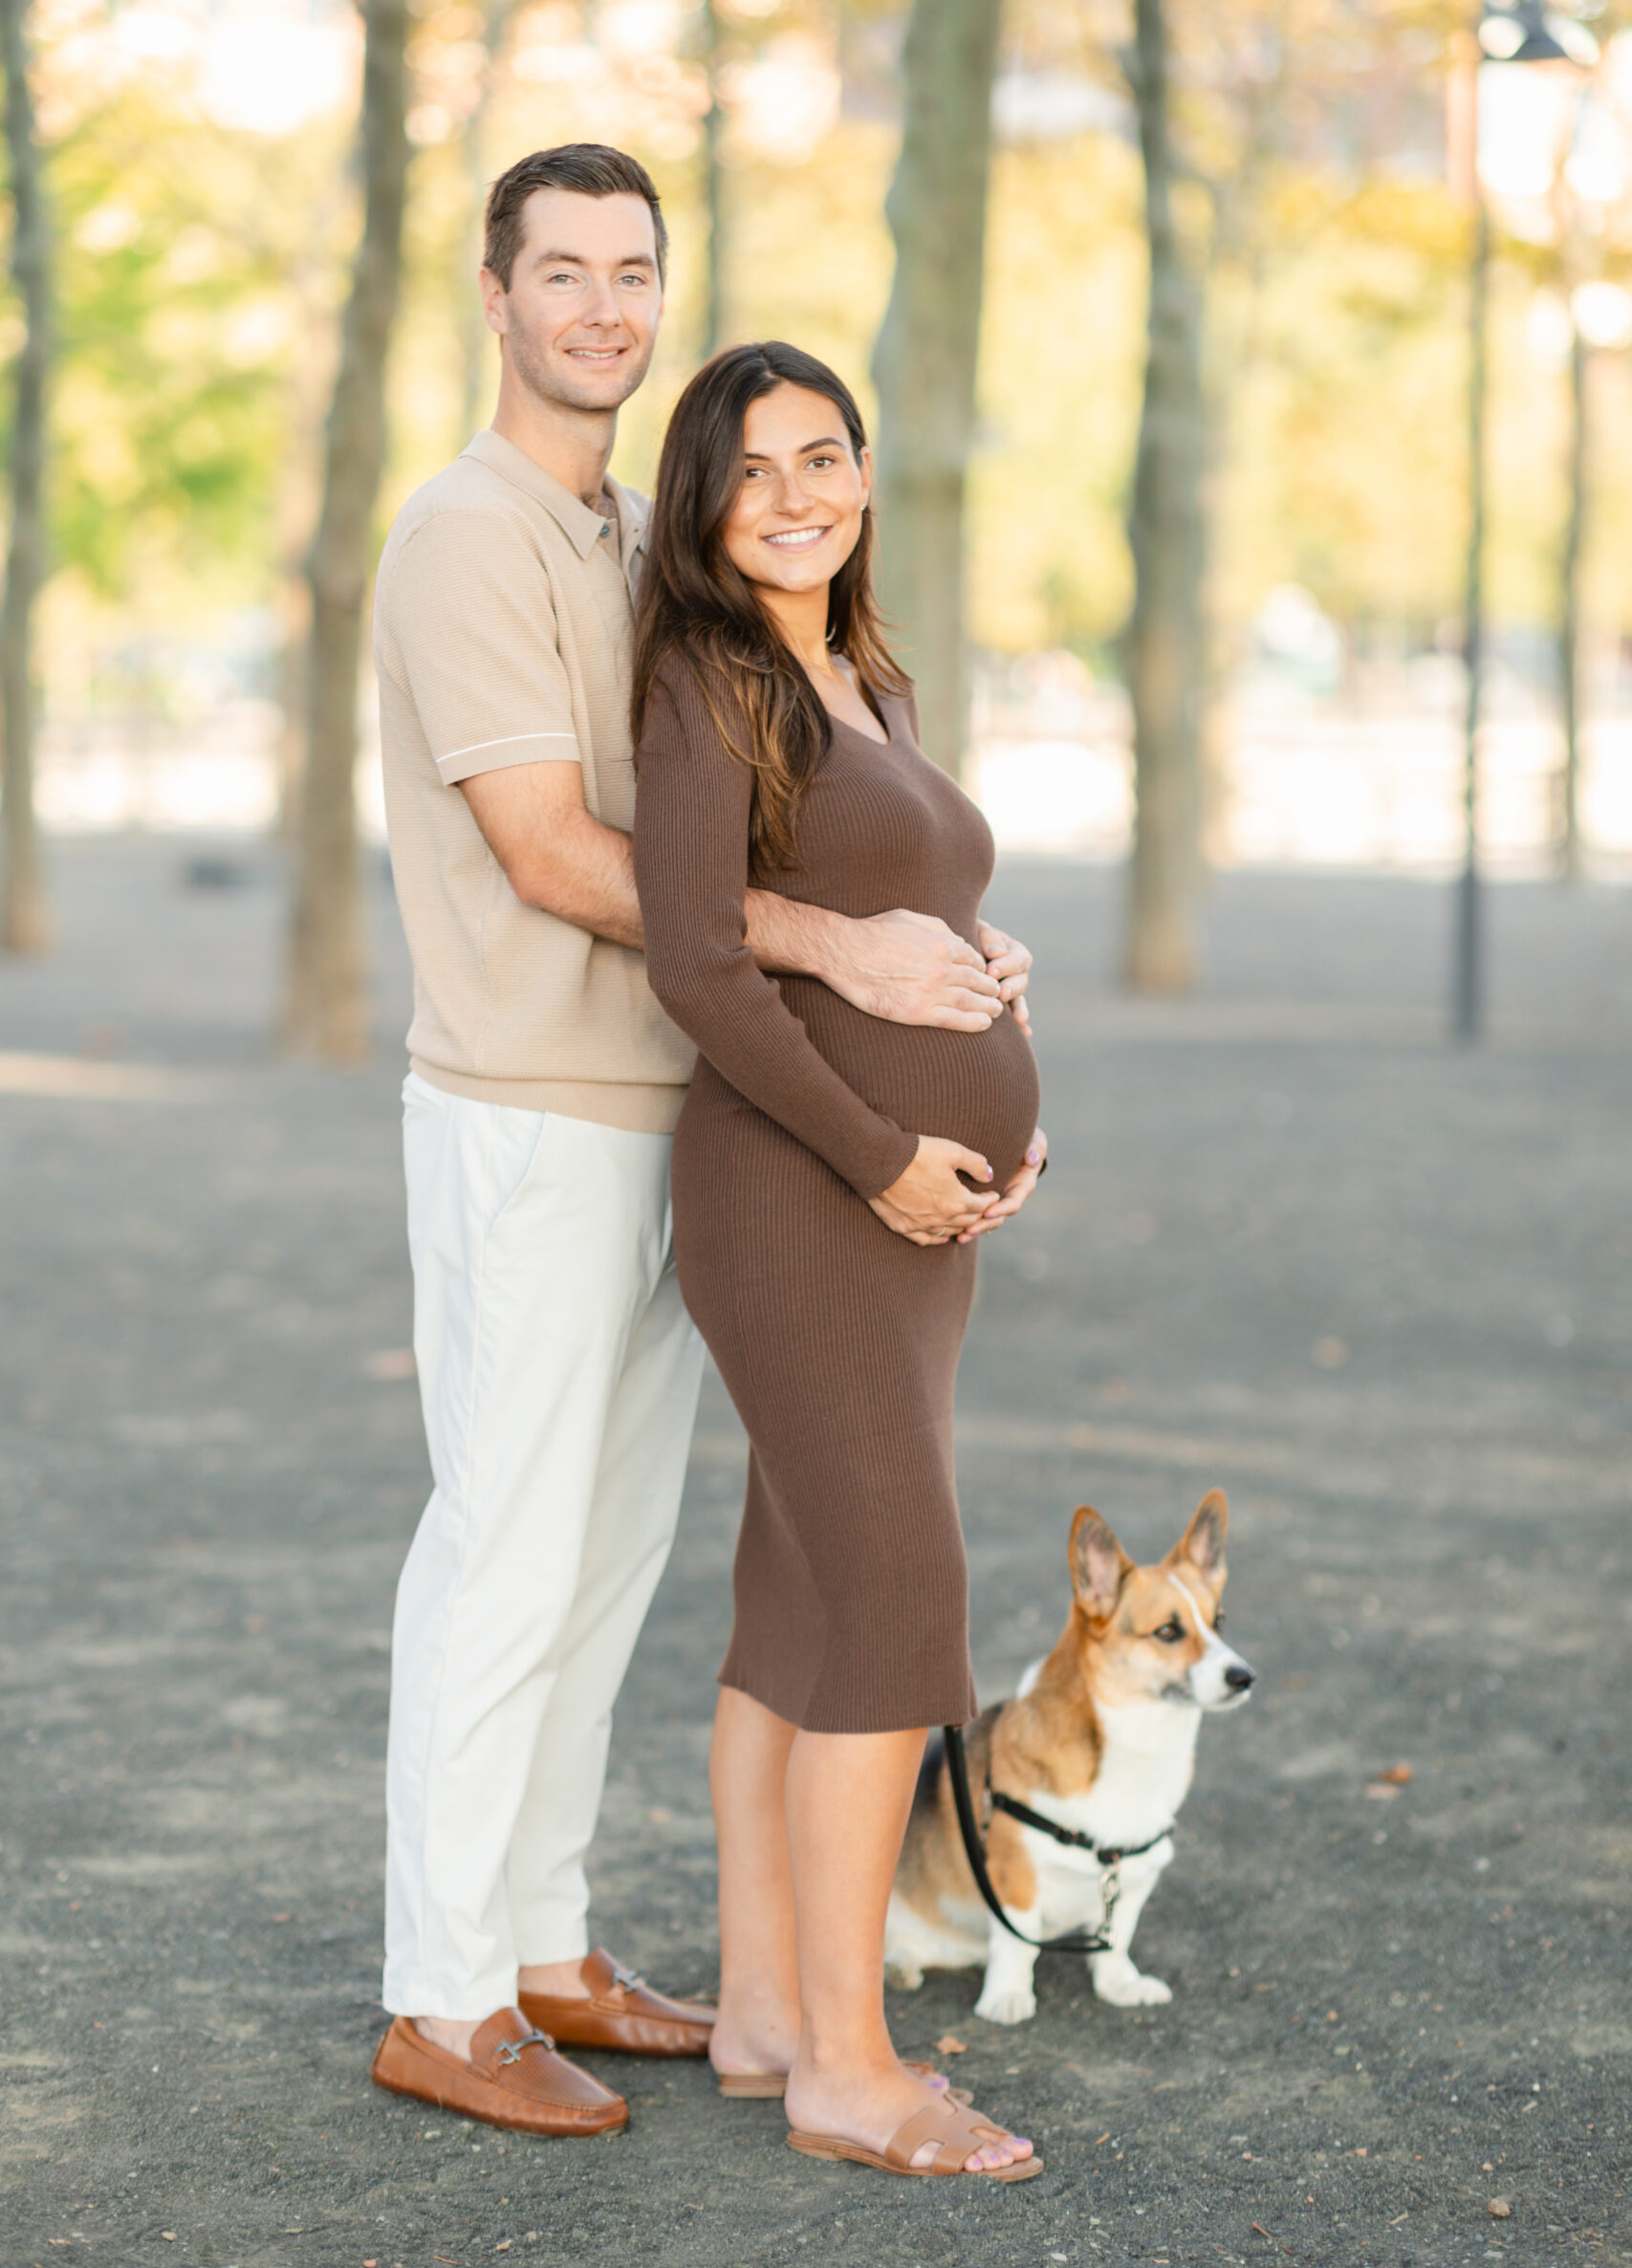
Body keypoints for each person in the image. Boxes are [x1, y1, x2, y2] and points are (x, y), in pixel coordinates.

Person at [365, 147, 1037, 2139]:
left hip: (674, 1111)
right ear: (491, 293)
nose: (595, 303)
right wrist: (842, 941)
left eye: (627, 270)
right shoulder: (464, 537)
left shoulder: (624, 539)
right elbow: (558, 851)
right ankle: (440, 1985)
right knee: (503, 1542)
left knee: (609, 1555)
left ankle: (545, 1938)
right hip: (527, 1102)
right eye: (555, 270)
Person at [631, 341, 1048, 2182]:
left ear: (865, 474)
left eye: (824, 457)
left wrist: (987, 1003)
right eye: (753, 471)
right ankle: (854, 2073)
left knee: (800, 1600)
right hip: (799, 1196)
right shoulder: (711, 675)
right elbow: (701, 960)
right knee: (898, 1601)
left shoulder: (853, 672)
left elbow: (899, 910)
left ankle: (765, 2013)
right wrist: (885, 1151)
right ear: (704, 507)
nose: (795, 496)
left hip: (905, 1209)